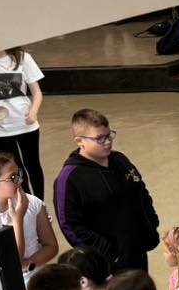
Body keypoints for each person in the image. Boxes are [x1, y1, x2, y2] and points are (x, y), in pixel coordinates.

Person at [54, 109, 159, 273]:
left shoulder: (119, 159)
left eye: (109, 135)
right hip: (109, 263)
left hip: (137, 250)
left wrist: (150, 223)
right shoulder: (69, 179)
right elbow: (70, 226)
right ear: (80, 141)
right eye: (100, 139)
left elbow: (141, 191)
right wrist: (109, 253)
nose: (108, 142)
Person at [0, 48, 45, 195]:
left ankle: (39, 203)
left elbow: (37, 92)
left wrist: (33, 112)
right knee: (14, 170)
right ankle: (25, 202)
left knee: (33, 165)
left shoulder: (23, 58)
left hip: (25, 124)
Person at [0, 152, 57, 278]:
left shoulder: (32, 202)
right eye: (12, 177)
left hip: (37, 276)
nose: (20, 180)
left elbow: (51, 246)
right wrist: (17, 219)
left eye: (18, 173)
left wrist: (31, 263)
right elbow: (13, 262)